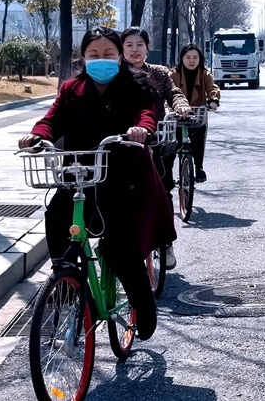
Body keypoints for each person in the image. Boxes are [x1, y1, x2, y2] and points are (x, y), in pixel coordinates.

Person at [18, 27, 176, 341]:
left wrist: (141, 130)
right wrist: (37, 135)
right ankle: (65, 281)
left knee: (120, 247)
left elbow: (146, 114)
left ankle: (143, 302)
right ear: (84, 57)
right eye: (93, 54)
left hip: (122, 179)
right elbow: (51, 120)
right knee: (56, 216)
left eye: (107, 54)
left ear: (118, 57)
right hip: (79, 175)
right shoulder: (71, 89)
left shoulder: (136, 86)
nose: (100, 59)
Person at [121, 26, 190, 270]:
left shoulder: (159, 73)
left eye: (139, 45)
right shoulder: (116, 73)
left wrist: (181, 106)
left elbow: (174, 93)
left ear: (148, 48)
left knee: (163, 190)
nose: (135, 50)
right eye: (129, 45)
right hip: (124, 143)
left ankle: (165, 242)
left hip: (158, 141)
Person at [168, 44, 220, 183]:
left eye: (195, 57)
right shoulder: (173, 74)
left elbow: (213, 89)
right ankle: (167, 174)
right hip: (176, 115)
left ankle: (198, 167)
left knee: (199, 138)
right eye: (188, 57)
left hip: (197, 115)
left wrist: (213, 100)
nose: (191, 61)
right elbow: (166, 91)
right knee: (171, 144)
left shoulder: (204, 74)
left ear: (200, 59)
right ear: (182, 58)